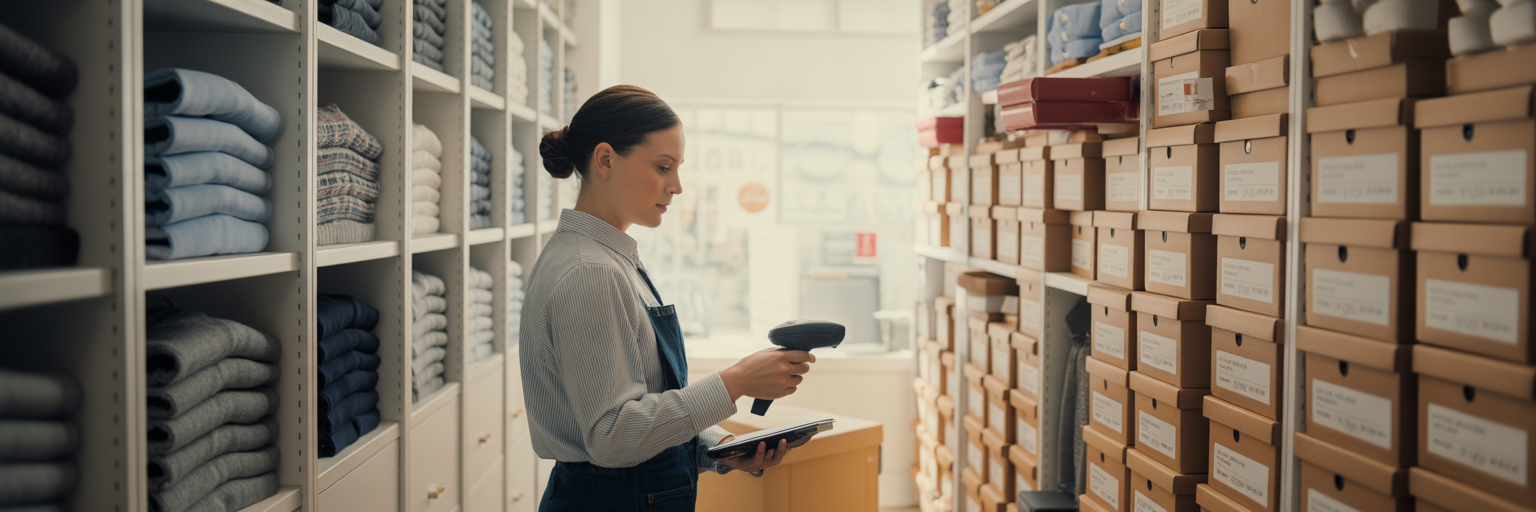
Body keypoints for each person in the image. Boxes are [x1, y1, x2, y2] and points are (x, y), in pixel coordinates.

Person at [520, 85, 816, 511]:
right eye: (662, 167)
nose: (676, 186)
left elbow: (639, 406)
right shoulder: (591, 271)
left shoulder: (609, 259)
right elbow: (611, 436)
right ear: (605, 160)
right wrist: (737, 381)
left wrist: (717, 447)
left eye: (677, 169)